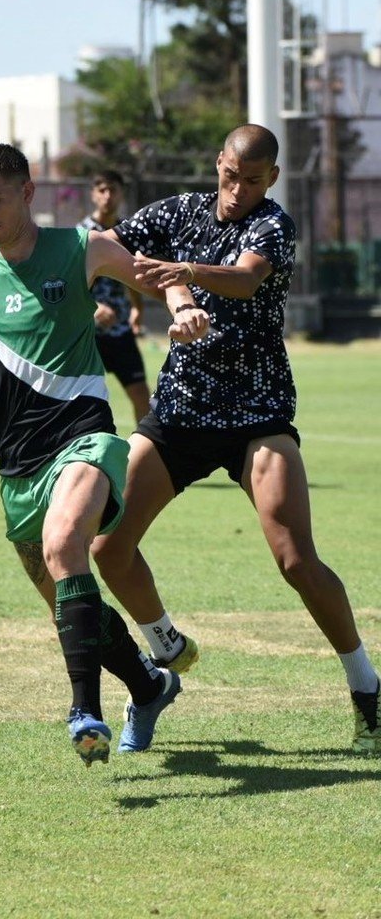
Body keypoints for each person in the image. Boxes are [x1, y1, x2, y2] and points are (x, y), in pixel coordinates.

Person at [0, 143, 208, 767]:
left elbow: (155, 275)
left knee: (64, 544)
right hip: (17, 466)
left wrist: (185, 308)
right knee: (70, 603)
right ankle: (149, 684)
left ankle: (85, 711)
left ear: (27, 193)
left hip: (84, 439)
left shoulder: (83, 247)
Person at [91, 123, 380, 755]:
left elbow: (245, 279)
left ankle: (366, 686)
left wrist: (183, 271)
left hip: (257, 413)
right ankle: (163, 659)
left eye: (252, 181)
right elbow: (103, 245)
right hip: (181, 410)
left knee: (295, 559)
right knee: (107, 545)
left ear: (271, 178)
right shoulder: (179, 211)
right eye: (230, 175)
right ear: (217, 162)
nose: (238, 190)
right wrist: (158, 290)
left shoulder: (274, 224)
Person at [77, 170, 150, 423]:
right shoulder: (81, 234)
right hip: (87, 333)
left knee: (141, 394)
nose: (107, 196)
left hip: (120, 330)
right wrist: (93, 307)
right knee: (83, 401)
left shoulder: (128, 231)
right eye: (102, 190)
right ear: (93, 195)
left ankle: (144, 444)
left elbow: (135, 272)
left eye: (113, 190)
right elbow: (69, 282)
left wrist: (137, 308)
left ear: (121, 194)